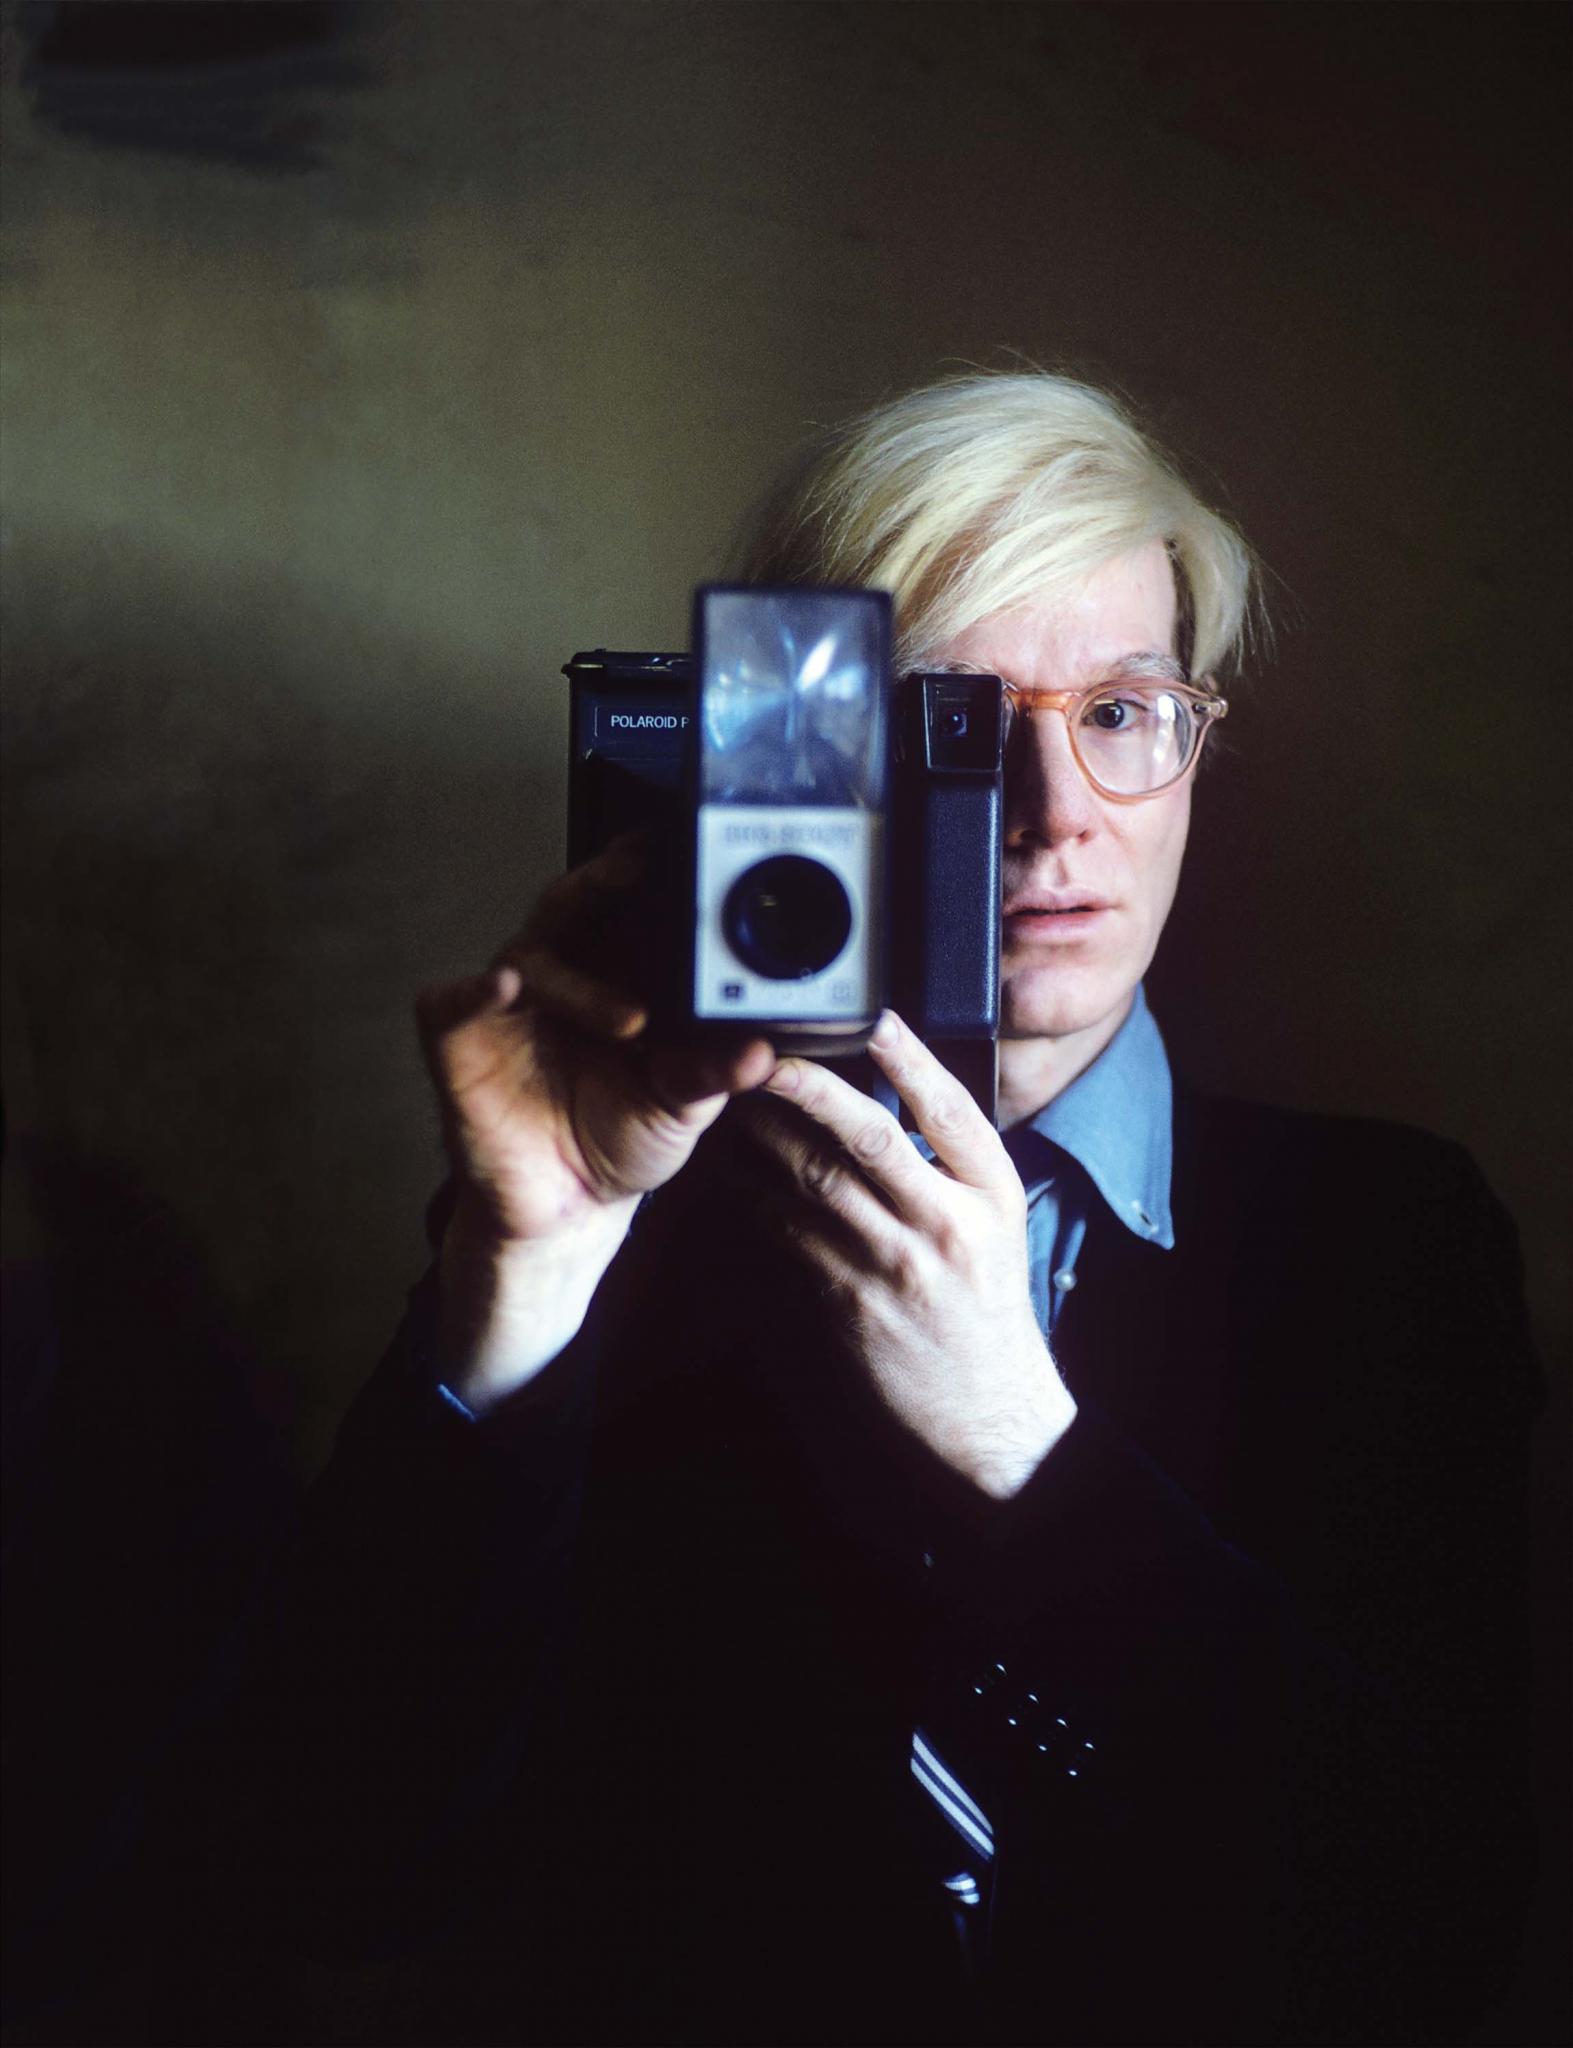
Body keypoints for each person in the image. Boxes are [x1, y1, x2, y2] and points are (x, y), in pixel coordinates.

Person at [189, 372, 1540, 2047]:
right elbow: (334, 1875)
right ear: (792, 761)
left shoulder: (1389, 1243)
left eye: (1124, 710)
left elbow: (1432, 1937)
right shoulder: (618, 1227)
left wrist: (1029, 1461)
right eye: (949, 721)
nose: (1056, 814)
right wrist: (519, 1275)